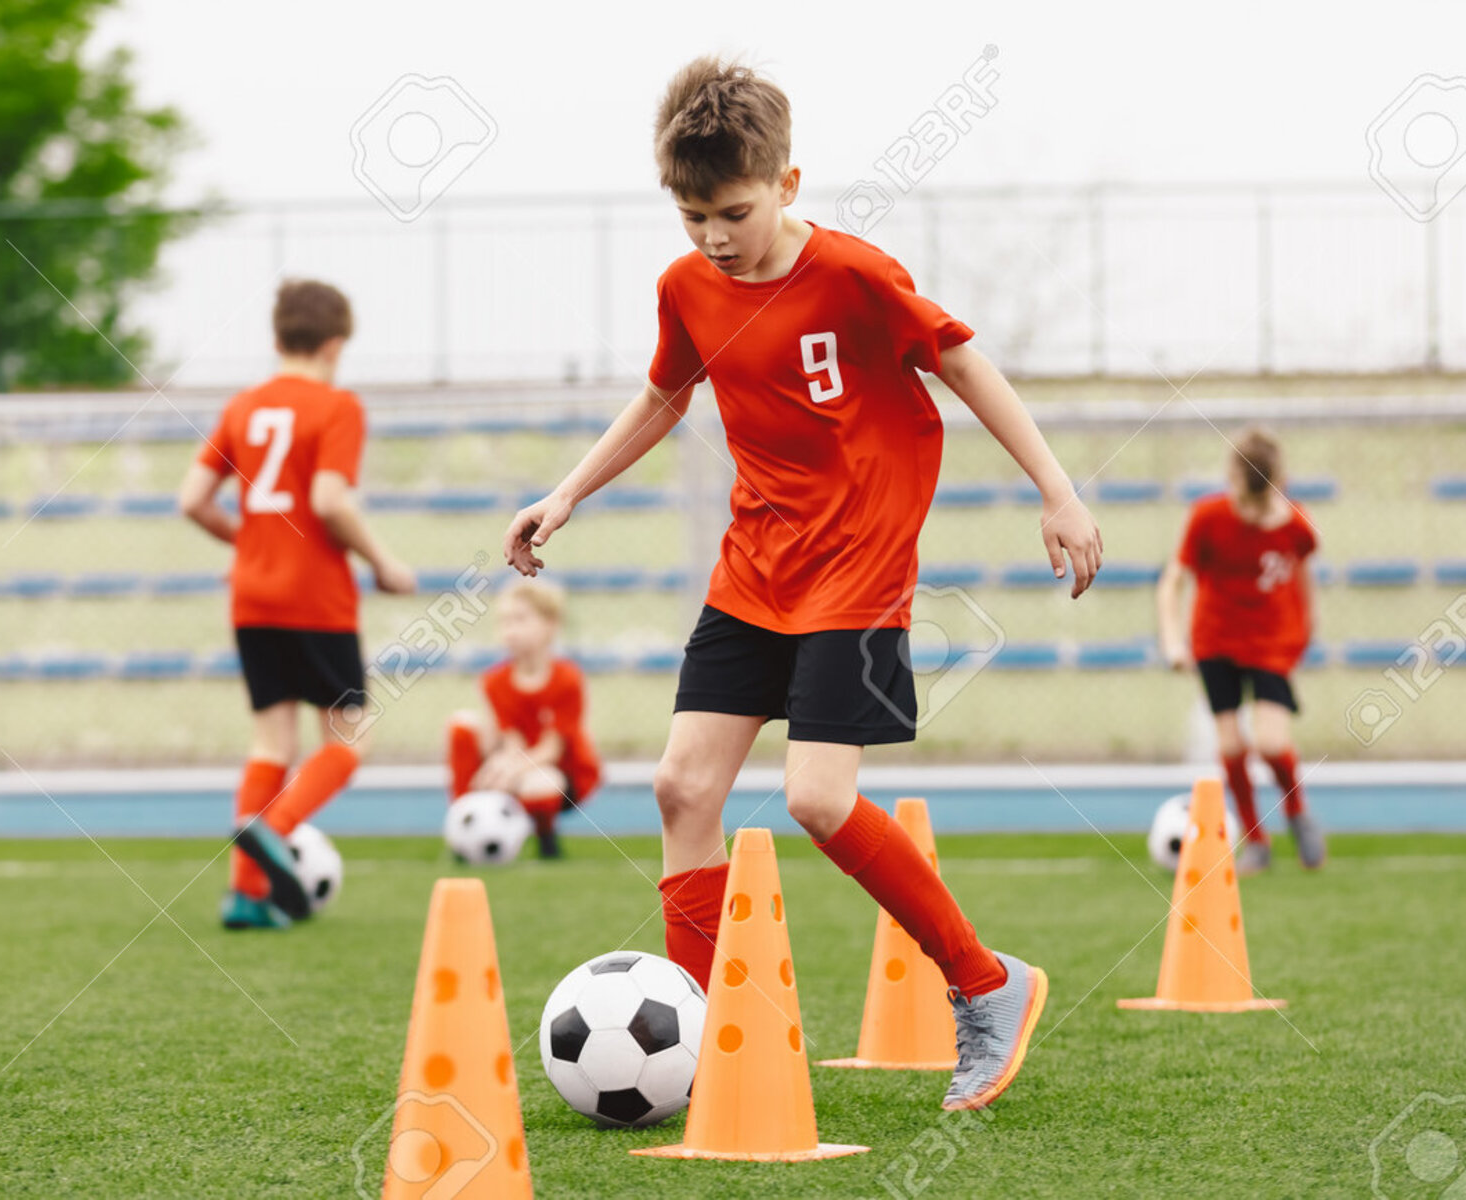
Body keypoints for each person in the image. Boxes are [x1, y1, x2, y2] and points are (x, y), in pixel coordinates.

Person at [504, 58, 1102, 1112]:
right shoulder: (684, 286)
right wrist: (567, 495)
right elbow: (661, 398)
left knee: (818, 800)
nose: (713, 238)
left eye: (732, 212)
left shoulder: (856, 275)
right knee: (682, 788)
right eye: (692, 216)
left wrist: (1056, 490)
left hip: (859, 567)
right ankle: (695, 1029)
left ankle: (986, 983)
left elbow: (964, 365)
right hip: (754, 566)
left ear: (786, 182)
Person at [179, 279, 416, 929]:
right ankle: (274, 827)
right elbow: (330, 500)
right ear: (336, 344)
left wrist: (249, 540)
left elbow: (192, 499)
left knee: (270, 741)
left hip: (252, 597)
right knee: (351, 736)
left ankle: (245, 897)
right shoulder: (336, 406)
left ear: (277, 336)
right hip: (315, 597)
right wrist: (383, 562)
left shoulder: (244, 407)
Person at [1157, 427, 1325, 873]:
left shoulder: (1295, 524)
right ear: (1231, 481)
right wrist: (1173, 640)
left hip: (1271, 642)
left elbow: (1304, 578)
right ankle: (1257, 840)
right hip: (1215, 640)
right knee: (1231, 745)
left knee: (1271, 742)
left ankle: (1296, 812)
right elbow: (1173, 580)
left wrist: (1306, 630)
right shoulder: (1207, 517)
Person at [445, 580, 602, 859]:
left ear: (550, 625)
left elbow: (552, 749)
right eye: (504, 622)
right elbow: (511, 739)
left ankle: (546, 838)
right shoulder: (494, 681)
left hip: (559, 771)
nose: (510, 631)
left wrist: (511, 771)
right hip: (520, 759)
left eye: (520, 620)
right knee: (462, 725)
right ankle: (464, 822)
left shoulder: (568, 679)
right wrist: (500, 768)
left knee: (539, 784)